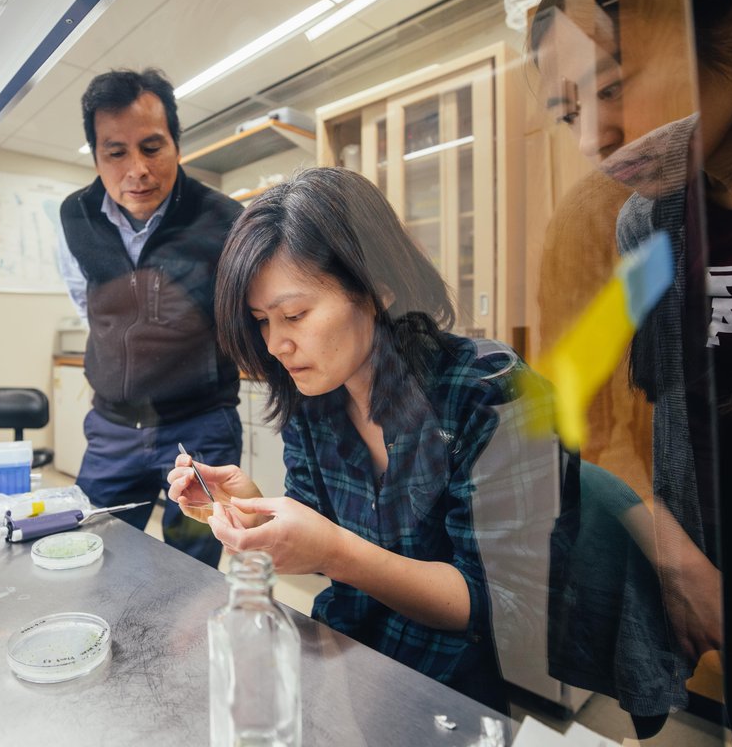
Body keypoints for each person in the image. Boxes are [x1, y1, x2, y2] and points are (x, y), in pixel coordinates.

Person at [533, 0, 732, 741]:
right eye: (568, 111)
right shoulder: (647, 226)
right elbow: (602, 402)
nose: (594, 137)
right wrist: (679, 563)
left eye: (614, 87)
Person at [168, 166, 558, 712]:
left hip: (452, 684)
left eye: (295, 314)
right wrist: (252, 512)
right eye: (261, 321)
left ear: (377, 290)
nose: (277, 343)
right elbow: (321, 541)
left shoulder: (489, 394)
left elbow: (507, 607)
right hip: (347, 654)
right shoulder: (314, 401)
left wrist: (334, 550)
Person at [56, 68, 243, 568]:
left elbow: (243, 316)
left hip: (199, 429)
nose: (136, 169)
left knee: (193, 566)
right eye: (115, 152)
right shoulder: (75, 215)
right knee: (91, 552)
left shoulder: (224, 219)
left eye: (152, 147)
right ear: (96, 155)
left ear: (177, 145)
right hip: (114, 428)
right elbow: (86, 300)